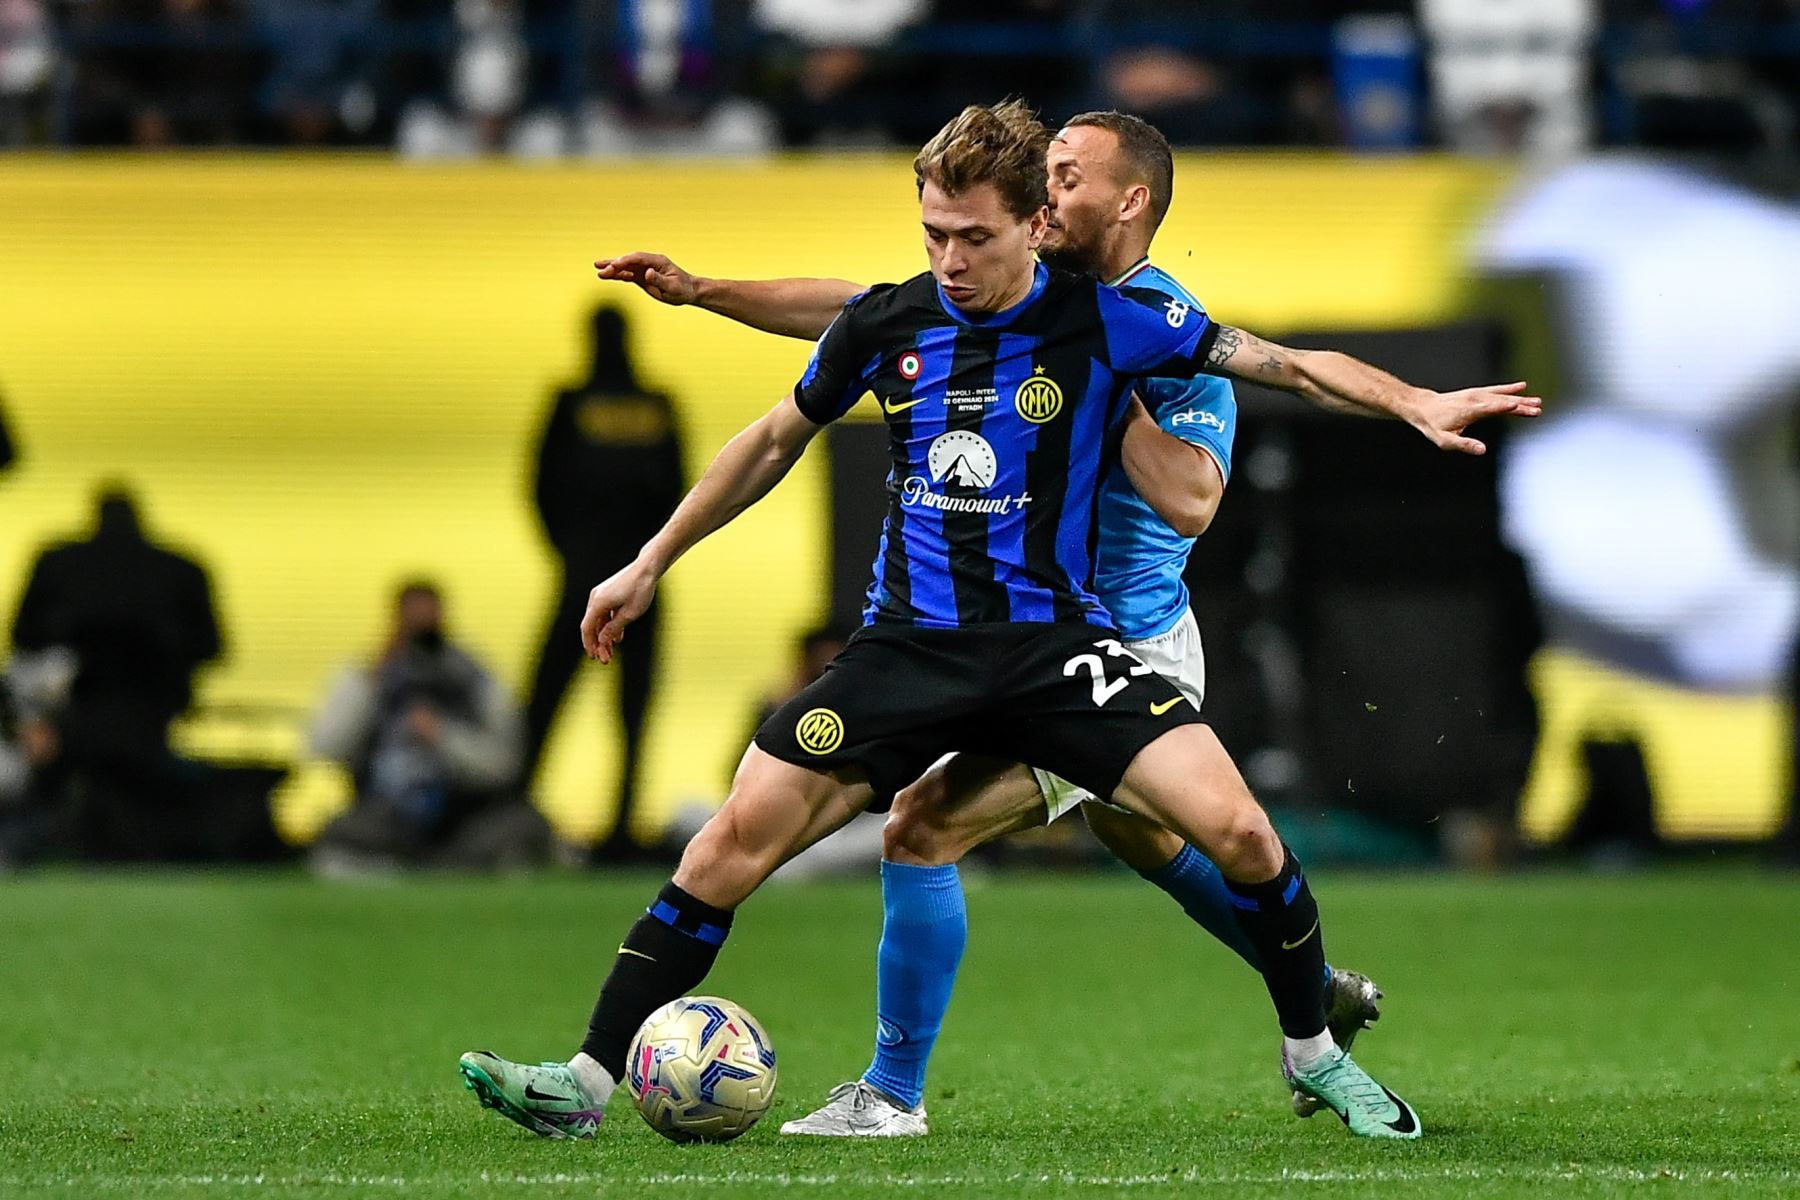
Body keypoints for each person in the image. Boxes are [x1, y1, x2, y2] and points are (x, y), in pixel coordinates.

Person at [459, 100, 1536, 1143]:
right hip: (908, 650)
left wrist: (1415, 403)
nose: (950, 258)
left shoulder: (1119, 318)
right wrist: (649, 557)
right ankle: (583, 1080)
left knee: (1242, 833)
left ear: (1039, 227)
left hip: (1066, 648)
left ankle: (1313, 1048)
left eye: (977, 234)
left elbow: (1285, 368)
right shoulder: (896, 315)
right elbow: (776, 431)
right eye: (934, 234)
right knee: (732, 843)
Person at [522, 305, 685, 864]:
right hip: (640, 576)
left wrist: (573, 553)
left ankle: (520, 812)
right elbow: (681, 493)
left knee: (547, 699)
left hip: (587, 577)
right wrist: (649, 561)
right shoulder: (656, 408)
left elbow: (541, 487)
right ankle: (620, 825)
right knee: (631, 707)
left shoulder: (571, 405)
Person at [9, 485, 232, 859]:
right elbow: (211, 648)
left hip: (99, 713)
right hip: (144, 715)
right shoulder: (181, 568)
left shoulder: (58, 564)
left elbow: (24, 638)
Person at [309, 581, 543, 871]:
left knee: (521, 828)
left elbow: (505, 763)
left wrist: (442, 735)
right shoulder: (369, 677)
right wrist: (370, 681)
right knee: (339, 837)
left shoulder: (473, 679)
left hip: (463, 816)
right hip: (385, 815)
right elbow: (323, 747)